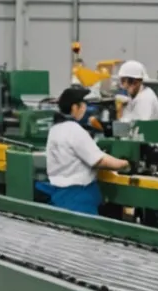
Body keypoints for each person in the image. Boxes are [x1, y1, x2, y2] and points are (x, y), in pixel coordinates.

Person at [41, 85, 130, 215]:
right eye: (83, 105)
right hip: (78, 199)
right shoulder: (74, 130)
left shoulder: (54, 130)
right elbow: (99, 161)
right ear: (74, 107)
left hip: (59, 195)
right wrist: (124, 164)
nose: (85, 108)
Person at [113, 60, 158, 129]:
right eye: (122, 81)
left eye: (124, 81)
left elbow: (140, 125)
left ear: (137, 82)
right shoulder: (132, 96)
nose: (124, 86)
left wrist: (120, 112)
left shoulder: (146, 97)